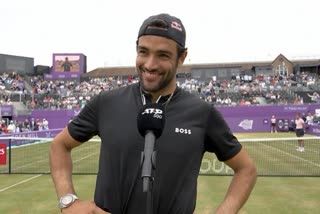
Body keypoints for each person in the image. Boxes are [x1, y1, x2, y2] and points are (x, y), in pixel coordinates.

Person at [49, 13, 257, 214]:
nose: (150, 64)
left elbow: (246, 169)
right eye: (143, 52)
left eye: (163, 55)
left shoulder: (202, 113)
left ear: (182, 57)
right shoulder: (106, 103)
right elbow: (60, 145)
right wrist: (69, 202)